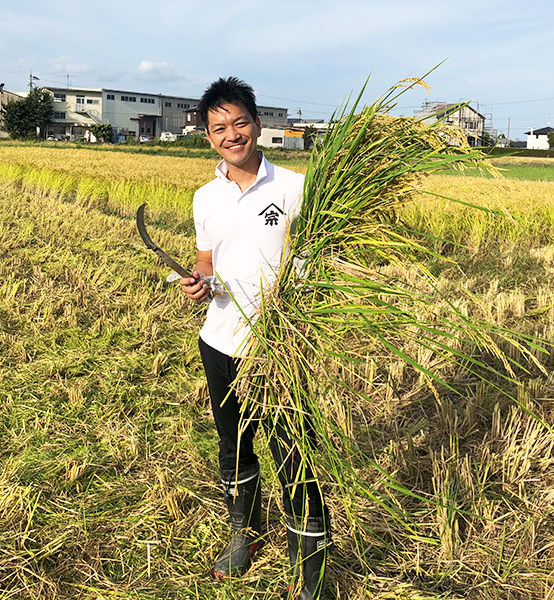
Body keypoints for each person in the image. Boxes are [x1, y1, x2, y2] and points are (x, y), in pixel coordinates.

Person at [179, 76, 329, 598]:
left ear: (258, 125)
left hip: (279, 346)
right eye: (219, 127)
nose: (231, 134)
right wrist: (201, 285)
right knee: (234, 445)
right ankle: (243, 532)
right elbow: (208, 263)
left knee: (296, 454)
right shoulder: (204, 197)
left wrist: (298, 314)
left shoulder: (293, 186)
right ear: (207, 136)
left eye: (240, 122)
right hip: (219, 341)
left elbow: (315, 264)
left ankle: (312, 567)